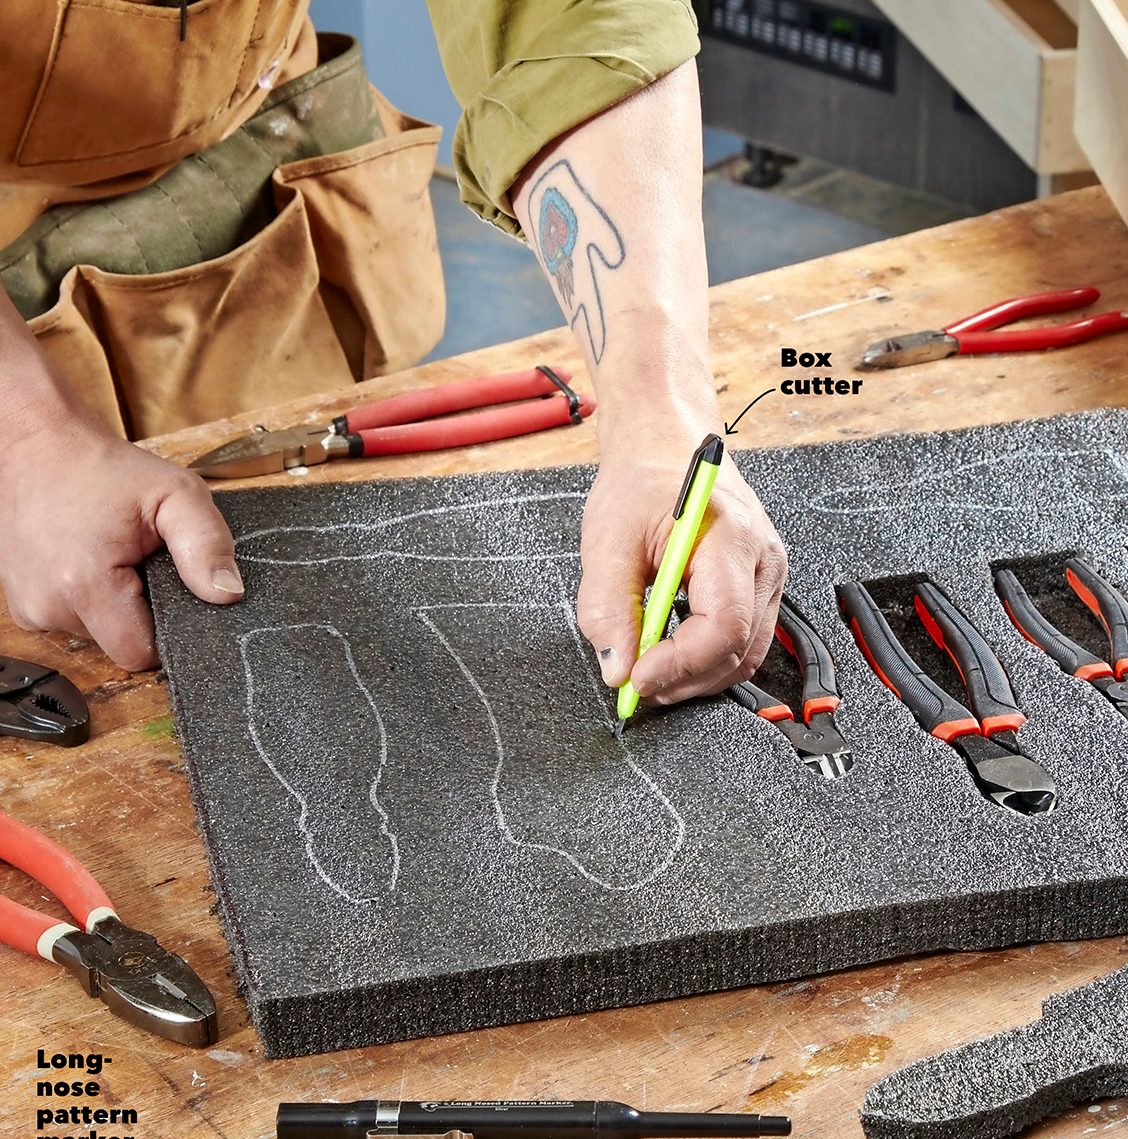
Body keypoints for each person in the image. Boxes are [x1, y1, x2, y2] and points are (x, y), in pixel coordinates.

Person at [0, 1, 787, 708]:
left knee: (314, 634)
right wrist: (26, 442)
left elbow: (576, 23)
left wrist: (658, 417)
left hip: (259, 180)